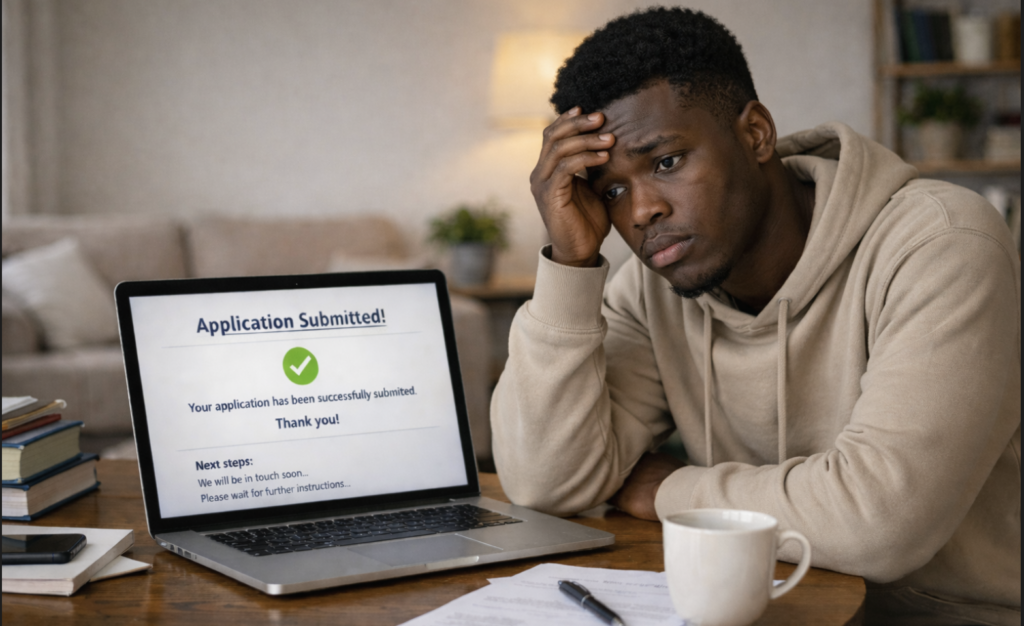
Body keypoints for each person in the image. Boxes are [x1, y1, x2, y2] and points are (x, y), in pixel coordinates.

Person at [490, 7, 1020, 625]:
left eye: (666, 162)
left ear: (757, 134)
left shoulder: (940, 243)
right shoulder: (650, 290)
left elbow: (879, 523)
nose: (639, 212)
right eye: (612, 190)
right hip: (765, 609)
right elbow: (546, 483)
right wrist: (571, 264)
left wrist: (665, 489)